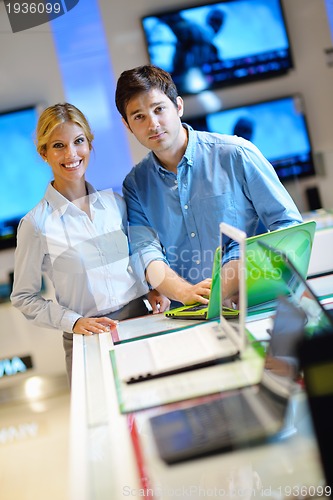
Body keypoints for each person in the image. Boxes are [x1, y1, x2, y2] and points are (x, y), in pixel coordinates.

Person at [114, 64, 303, 306]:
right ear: (127, 125)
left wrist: (247, 280)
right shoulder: (135, 184)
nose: (153, 124)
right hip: (190, 314)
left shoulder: (236, 154)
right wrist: (184, 293)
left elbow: (287, 226)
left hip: (254, 304)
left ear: (178, 106)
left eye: (159, 109)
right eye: (139, 116)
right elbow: (146, 254)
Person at [10, 103, 169, 384]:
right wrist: (73, 321)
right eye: (59, 145)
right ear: (44, 153)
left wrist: (154, 289)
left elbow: (135, 259)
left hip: (141, 321)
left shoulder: (115, 204)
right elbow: (24, 298)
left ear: (89, 144)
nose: (71, 154)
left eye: (79, 141)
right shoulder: (36, 224)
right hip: (87, 337)